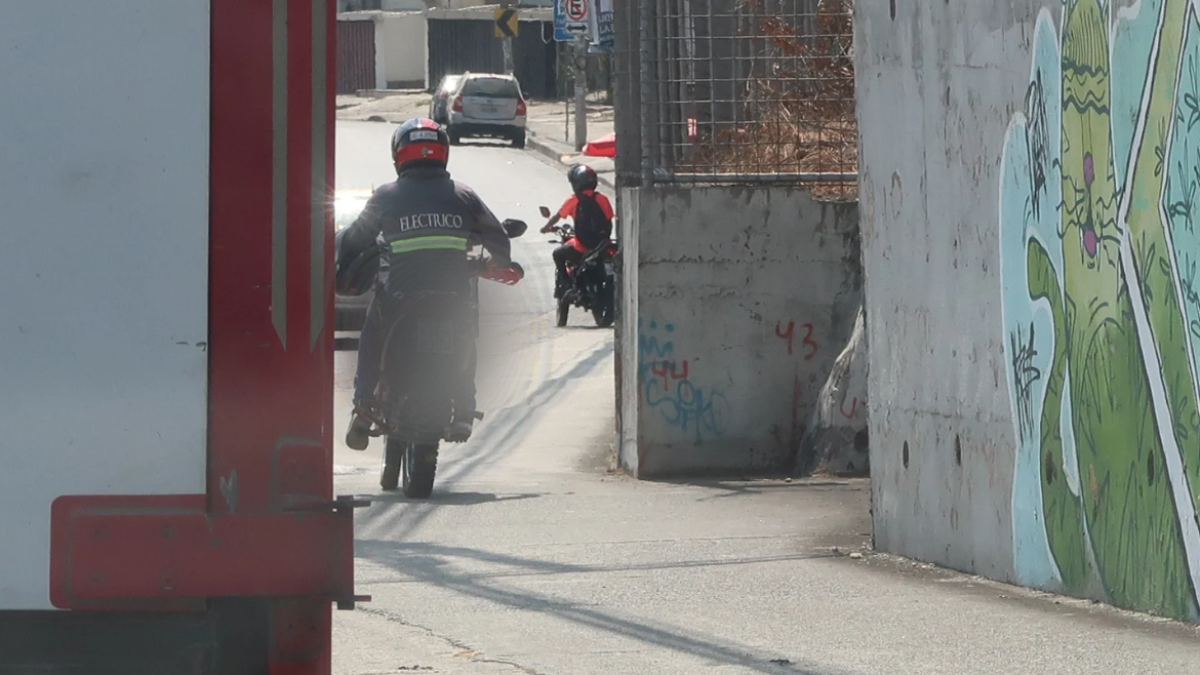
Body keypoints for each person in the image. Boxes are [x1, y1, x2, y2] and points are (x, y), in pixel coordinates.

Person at [336, 118, 513, 451]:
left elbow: (356, 239)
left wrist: (342, 257)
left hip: (401, 296)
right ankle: (463, 407)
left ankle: (363, 406)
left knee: (372, 329)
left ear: (398, 155)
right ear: (443, 154)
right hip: (452, 298)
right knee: (466, 333)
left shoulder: (386, 195)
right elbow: (497, 237)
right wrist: (499, 263)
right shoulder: (463, 194)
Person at [540, 165, 615, 298]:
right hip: (603, 245)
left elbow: (557, 217)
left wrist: (546, 228)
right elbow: (609, 219)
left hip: (582, 248)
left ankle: (567, 284)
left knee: (558, 254)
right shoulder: (602, 199)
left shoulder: (574, 200)